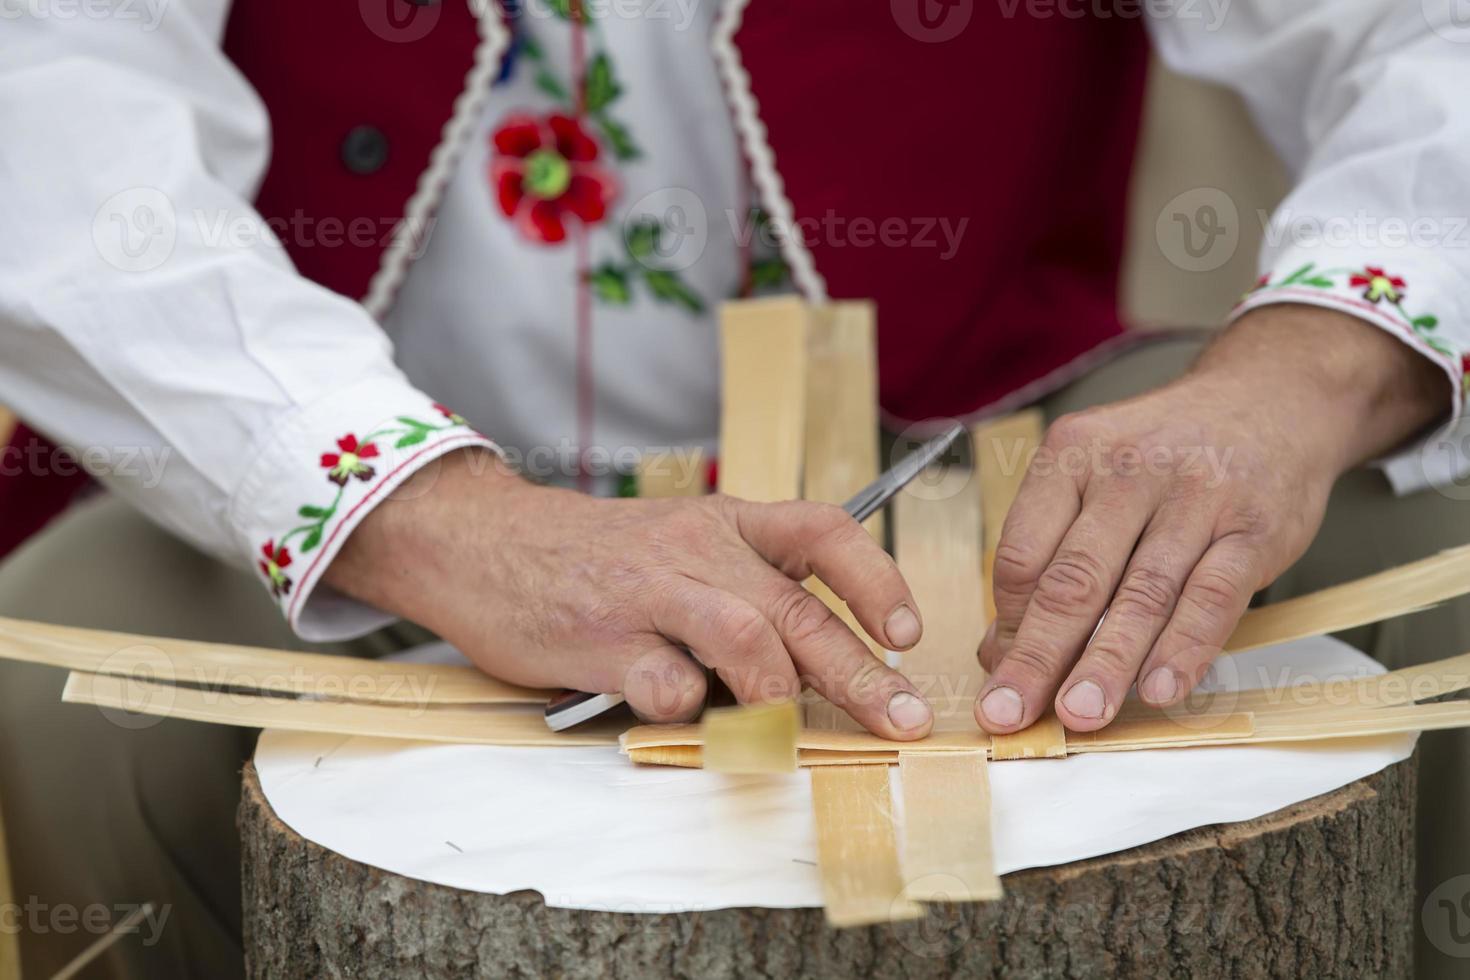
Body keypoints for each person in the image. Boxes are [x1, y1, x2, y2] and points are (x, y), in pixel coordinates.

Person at [2, 1, 1468, 976]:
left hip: (962, 444)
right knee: (74, 671)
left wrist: (1307, 371)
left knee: (1445, 565)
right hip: (397, 472)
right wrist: (427, 514)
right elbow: (47, 100)